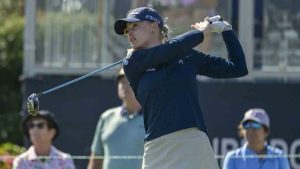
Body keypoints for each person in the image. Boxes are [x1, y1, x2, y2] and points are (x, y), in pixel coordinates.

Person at [114, 6, 248, 169]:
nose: (129, 32)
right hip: (157, 148)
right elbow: (171, 49)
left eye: (135, 26)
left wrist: (226, 30)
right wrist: (201, 32)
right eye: (127, 29)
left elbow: (238, 68)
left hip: (193, 143)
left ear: (153, 27)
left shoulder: (186, 55)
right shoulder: (132, 62)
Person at [87, 68, 144, 169]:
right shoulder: (106, 117)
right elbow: (95, 161)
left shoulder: (152, 118)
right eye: (122, 82)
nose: (125, 86)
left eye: (129, 81)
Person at [222, 108, 291, 169]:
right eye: (247, 125)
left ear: (265, 131)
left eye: (256, 125)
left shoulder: (279, 156)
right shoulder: (232, 158)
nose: (250, 130)